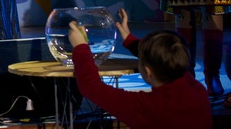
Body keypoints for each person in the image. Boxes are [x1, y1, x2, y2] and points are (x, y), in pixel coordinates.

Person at [68, 9, 212, 129]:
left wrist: (81, 47)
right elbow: (167, 57)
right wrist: (129, 39)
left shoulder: (147, 107)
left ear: (148, 71)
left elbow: (91, 86)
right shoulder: (197, 91)